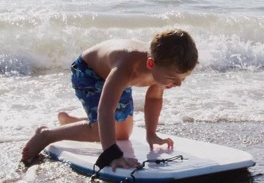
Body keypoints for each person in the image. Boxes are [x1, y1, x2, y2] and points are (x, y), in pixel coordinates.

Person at [21, 29, 199, 170]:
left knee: (122, 133)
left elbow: (153, 98)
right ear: (151, 64)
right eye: (173, 78)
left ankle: (72, 122)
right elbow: (105, 109)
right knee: (103, 132)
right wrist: (111, 153)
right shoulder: (127, 67)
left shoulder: (161, 68)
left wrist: (151, 134)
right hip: (88, 72)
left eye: (183, 78)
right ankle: (47, 135)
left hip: (114, 77)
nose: (178, 84)